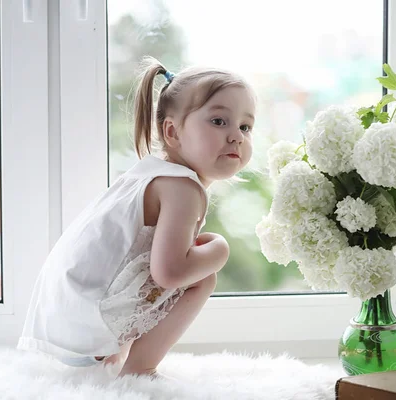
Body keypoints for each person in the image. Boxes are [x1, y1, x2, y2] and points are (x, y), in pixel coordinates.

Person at [17, 56, 256, 379]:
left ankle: (120, 357)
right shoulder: (182, 188)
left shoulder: (151, 172)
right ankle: (140, 369)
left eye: (245, 126)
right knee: (202, 276)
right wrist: (220, 249)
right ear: (172, 132)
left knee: (189, 261)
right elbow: (170, 273)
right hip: (89, 331)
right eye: (218, 121)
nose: (237, 136)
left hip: (64, 323)